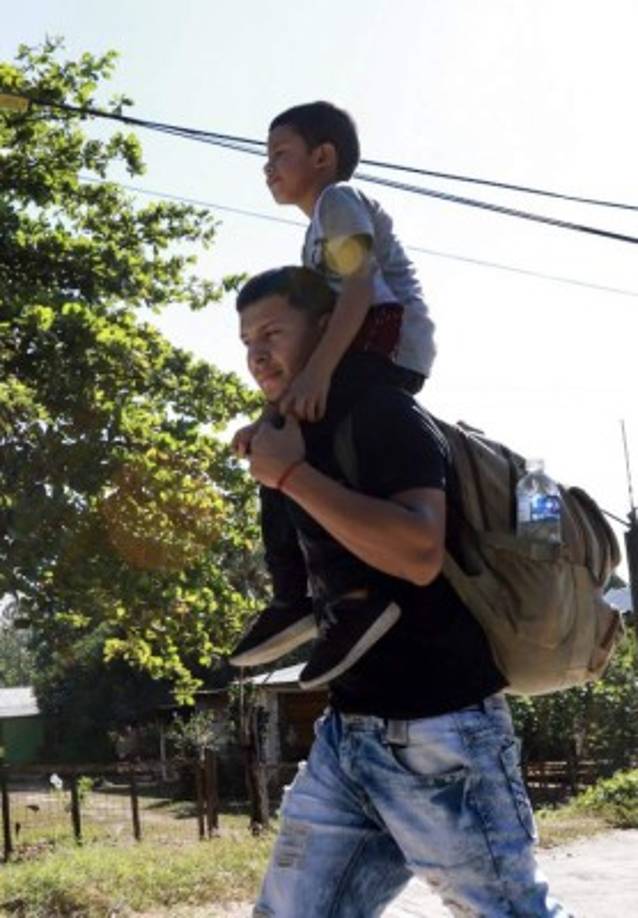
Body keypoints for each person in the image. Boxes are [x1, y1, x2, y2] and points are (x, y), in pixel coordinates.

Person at [236, 266, 570, 917]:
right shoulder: (297, 431)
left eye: (272, 331)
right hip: (348, 735)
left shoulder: (384, 414)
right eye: (246, 339)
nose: (256, 353)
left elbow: (419, 553)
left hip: (442, 734)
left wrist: (293, 476)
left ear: (329, 330)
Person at [230, 102, 436, 686]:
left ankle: (356, 595)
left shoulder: (339, 202)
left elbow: (358, 290)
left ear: (323, 157)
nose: (267, 168)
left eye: (279, 155)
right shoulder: (313, 231)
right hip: (352, 350)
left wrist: (318, 375)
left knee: (305, 449)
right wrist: (268, 414)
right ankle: (293, 594)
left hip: (386, 346)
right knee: (278, 445)